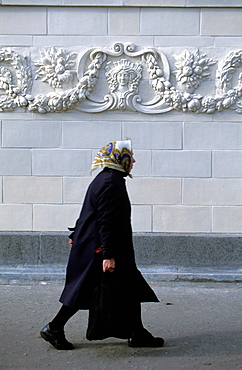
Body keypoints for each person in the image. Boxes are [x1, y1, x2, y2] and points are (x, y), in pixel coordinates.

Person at [40, 140, 164, 350]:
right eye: (129, 156)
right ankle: (54, 327)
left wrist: (77, 233)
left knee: (129, 287)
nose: (133, 160)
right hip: (102, 250)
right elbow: (106, 220)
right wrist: (108, 254)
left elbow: (91, 213)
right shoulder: (109, 182)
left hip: (104, 247)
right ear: (119, 158)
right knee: (85, 289)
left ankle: (137, 332)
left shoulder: (108, 178)